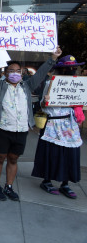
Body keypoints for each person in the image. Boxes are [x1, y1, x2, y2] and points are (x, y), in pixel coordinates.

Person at [0, 44, 62, 201]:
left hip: (21, 130)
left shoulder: (27, 86)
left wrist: (52, 58)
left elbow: (40, 74)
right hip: (2, 129)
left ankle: (8, 186)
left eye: (18, 71)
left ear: (22, 73)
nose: (15, 73)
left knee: (13, 158)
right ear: (5, 73)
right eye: (11, 71)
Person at [32, 55, 84, 199]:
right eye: (68, 68)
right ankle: (47, 181)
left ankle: (65, 183)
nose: (72, 70)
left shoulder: (78, 84)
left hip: (70, 124)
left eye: (74, 68)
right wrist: (45, 102)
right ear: (61, 69)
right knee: (52, 153)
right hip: (53, 123)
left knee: (70, 154)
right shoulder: (50, 83)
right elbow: (42, 104)